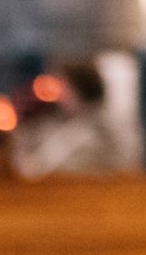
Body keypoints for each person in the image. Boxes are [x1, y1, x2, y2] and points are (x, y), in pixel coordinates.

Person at [9, 60, 137, 179]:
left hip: (92, 195)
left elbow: (37, 168)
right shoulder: (67, 122)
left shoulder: (99, 127)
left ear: (78, 89)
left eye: (63, 88)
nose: (58, 96)